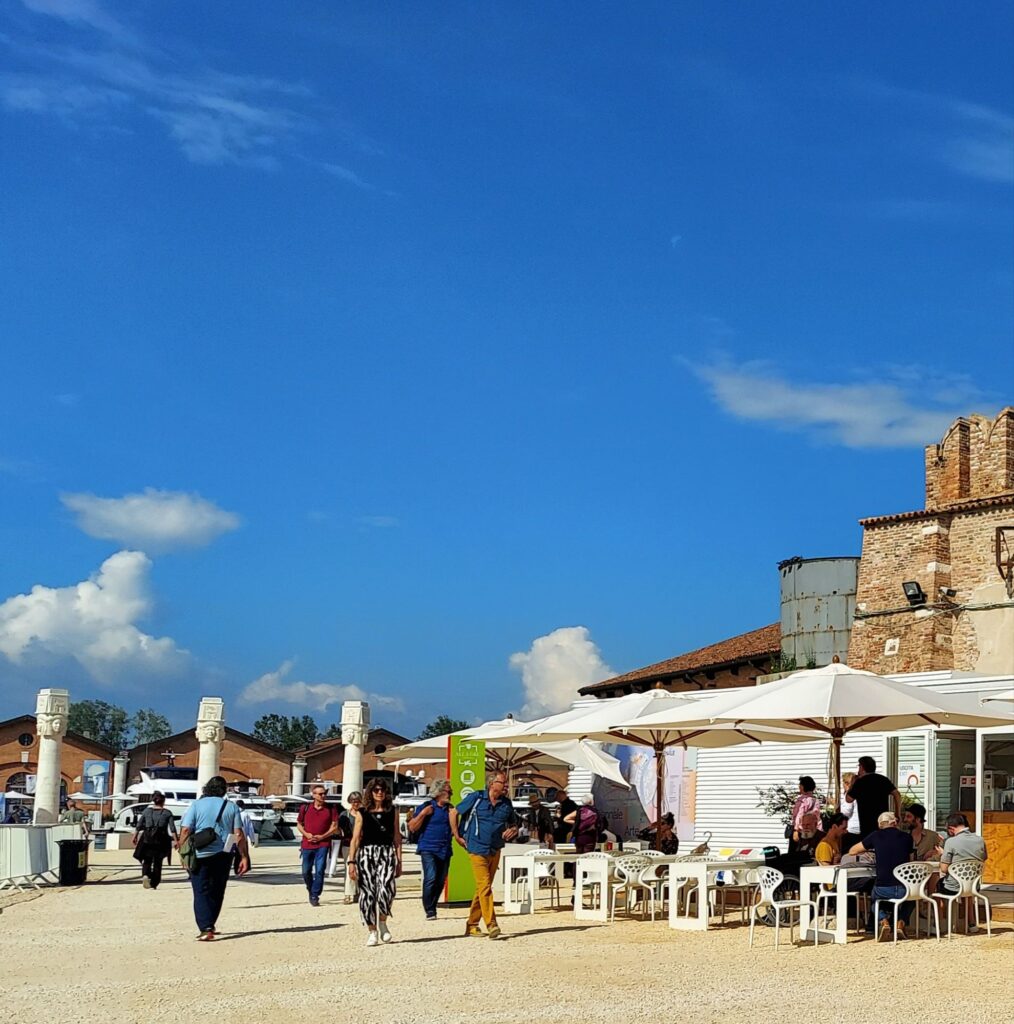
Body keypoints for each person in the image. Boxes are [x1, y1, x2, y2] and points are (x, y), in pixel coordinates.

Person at [179, 776, 249, 941]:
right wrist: (244, 857)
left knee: (200, 890)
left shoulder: (196, 805)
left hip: (200, 853)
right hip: (224, 854)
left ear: (206, 788)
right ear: (224, 790)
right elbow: (238, 834)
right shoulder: (231, 807)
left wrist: (183, 852)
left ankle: (205, 928)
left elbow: (186, 830)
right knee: (218, 890)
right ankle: (211, 922)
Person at [451, 770, 519, 939]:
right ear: (491, 784)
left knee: (483, 888)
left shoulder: (506, 804)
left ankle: (472, 925)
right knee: (485, 885)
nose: (505, 787)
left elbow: (514, 823)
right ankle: (492, 924)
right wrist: (457, 836)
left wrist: (513, 829)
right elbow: (453, 812)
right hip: (477, 848)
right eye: (502, 783)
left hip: (495, 848)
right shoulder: (476, 798)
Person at [348, 778, 402, 946]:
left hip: (386, 853)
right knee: (367, 894)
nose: (380, 792)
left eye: (383, 790)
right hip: (366, 853)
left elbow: (397, 836)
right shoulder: (362, 812)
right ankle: (372, 930)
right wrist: (351, 862)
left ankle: (383, 922)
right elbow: (355, 838)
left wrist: (399, 860)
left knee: (387, 889)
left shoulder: (392, 811)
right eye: (376, 790)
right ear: (370, 792)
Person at [848, 810, 914, 940]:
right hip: (904, 888)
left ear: (880, 825)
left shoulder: (875, 836)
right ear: (895, 823)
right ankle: (901, 922)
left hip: (883, 888)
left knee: (874, 900)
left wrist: (869, 850)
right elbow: (911, 861)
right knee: (912, 899)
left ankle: (883, 920)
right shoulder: (907, 837)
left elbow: (852, 851)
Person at [407, 778, 454, 921]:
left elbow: (455, 829)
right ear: (439, 792)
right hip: (428, 848)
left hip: (445, 849)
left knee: (441, 880)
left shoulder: (450, 809)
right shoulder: (427, 806)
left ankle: (433, 905)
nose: (451, 793)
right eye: (448, 791)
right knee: (431, 877)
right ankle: (429, 909)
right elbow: (412, 827)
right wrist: (423, 814)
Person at [297, 785, 337, 907]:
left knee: (320, 870)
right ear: (313, 795)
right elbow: (299, 824)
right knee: (305, 871)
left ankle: (315, 894)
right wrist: (306, 834)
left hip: (323, 844)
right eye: (320, 794)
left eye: (324, 793)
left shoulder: (331, 808)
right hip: (307, 844)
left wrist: (323, 836)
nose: (323, 796)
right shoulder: (305, 808)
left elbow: (334, 826)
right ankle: (311, 888)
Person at [846, 757, 901, 841]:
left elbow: (848, 799)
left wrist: (852, 784)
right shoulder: (883, 779)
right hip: (883, 821)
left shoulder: (860, 782)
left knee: (868, 847)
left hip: (866, 822)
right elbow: (897, 794)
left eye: (859, 766)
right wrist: (897, 812)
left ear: (862, 767)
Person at [132, 791, 177, 890]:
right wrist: (176, 841)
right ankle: (154, 883)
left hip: (147, 838)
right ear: (163, 801)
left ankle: (146, 875)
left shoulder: (147, 811)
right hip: (161, 839)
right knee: (158, 861)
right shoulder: (167, 813)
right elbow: (172, 828)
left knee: (147, 859)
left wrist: (135, 836)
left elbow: (139, 825)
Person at [934, 812, 988, 895]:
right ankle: (968, 908)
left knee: (938, 885)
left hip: (953, 888)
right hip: (974, 886)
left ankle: (943, 908)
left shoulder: (950, 842)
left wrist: (942, 854)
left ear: (951, 828)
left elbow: (944, 869)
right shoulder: (980, 840)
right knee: (967, 888)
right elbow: (984, 858)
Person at [338, 791, 363, 901]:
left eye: (357, 801)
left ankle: (357, 891)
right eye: (353, 801)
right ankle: (348, 894)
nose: (356, 804)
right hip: (347, 844)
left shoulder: (364, 814)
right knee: (349, 867)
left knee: (361, 869)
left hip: (362, 844)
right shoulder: (344, 815)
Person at [789, 776, 822, 852]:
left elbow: (799, 816)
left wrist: (795, 830)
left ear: (803, 787)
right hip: (813, 830)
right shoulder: (815, 800)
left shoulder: (802, 800)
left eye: (800, 785)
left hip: (802, 831)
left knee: (797, 852)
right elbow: (817, 817)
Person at [840, 772, 860, 843]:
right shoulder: (860, 792)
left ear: (847, 783)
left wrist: (838, 810)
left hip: (852, 829)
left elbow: (846, 812)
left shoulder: (850, 794)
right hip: (861, 827)